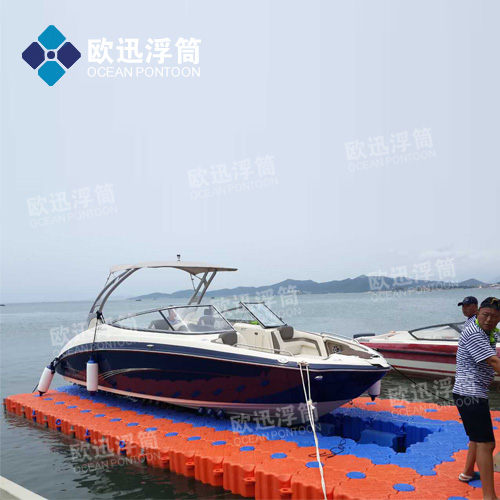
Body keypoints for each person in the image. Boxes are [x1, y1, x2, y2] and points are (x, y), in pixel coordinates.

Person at [453, 297, 500, 500]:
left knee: (476, 437)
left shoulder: (486, 328)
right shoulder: (474, 333)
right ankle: (489, 497)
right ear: (478, 312)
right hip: (470, 393)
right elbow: (494, 361)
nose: (489, 320)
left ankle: (468, 472)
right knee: (486, 444)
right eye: (486, 315)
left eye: (495, 316)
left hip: (469, 391)